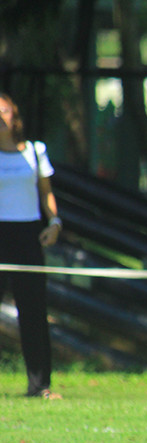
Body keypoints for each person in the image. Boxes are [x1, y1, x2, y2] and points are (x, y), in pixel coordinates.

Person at [0, 92, 62, 399]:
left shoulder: (35, 152)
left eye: (5, 111)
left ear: (15, 115)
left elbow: (46, 193)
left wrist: (54, 223)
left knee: (34, 312)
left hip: (27, 235)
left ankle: (40, 386)